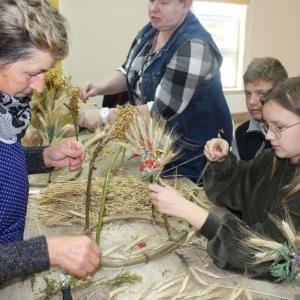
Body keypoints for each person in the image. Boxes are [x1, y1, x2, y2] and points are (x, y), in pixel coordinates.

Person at [148, 76, 300, 280]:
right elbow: (234, 189)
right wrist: (222, 163)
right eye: (267, 126)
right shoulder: (273, 159)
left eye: (278, 127)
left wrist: (186, 209)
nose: (269, 136)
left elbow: (266, 256)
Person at [78, 0, 233, 183]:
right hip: (158, 144)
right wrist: (100, 87)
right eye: (152, 0)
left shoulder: (194, 46)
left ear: (185, 5)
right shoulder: (150, 31)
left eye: (164, 2)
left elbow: (161, 109)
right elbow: (129, 70)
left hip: (192, 155)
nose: (154, 8)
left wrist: (104, 115)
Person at [0, 0, 100, 283]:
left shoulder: (7, 108)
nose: (40, 85)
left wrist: (42, 157)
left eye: (46, 71)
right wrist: (48, 251)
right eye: (32, 73)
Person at [231, 57, 288, 161]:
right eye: (248, 94)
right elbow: (235, 174)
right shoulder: (241, 133)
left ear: (280, 93)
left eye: (261, 94)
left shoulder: (291, 136)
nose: (252, 101)